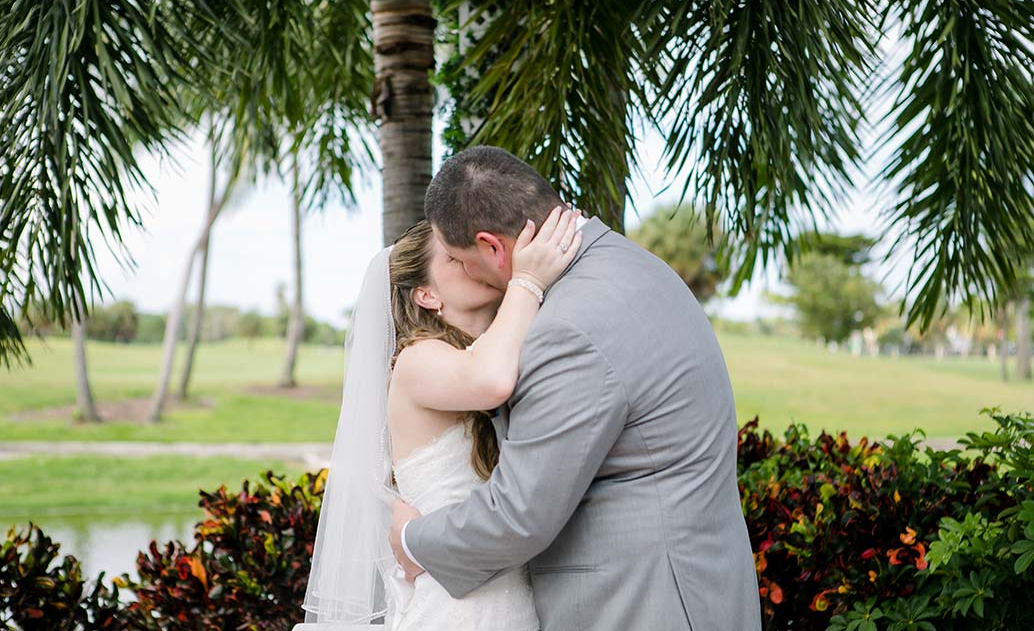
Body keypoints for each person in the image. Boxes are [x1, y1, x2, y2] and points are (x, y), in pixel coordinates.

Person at [389, 146, 762, 631]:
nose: (466, 272)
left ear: (493, 248)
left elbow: (521, 513)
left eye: (463, 260)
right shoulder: (628, 263)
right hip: (693, 586)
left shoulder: (567, 327)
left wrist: (413, 541)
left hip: (643, 604)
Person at [300, 205, 581, 630]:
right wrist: (528, 278)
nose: (471, 258)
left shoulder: (498, 349)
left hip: (511, 598)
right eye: (452, 257)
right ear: (426, 295)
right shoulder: (417, 360)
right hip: (456, 606)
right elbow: (491, 380)